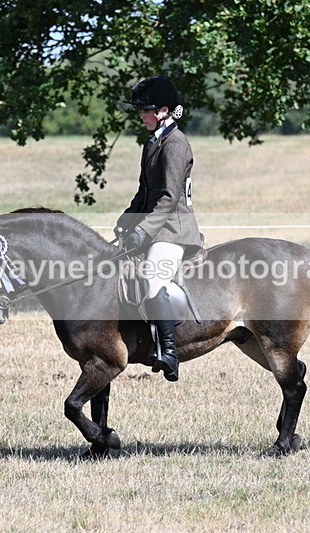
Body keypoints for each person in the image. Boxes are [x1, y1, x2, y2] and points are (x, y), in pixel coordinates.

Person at [115, 76, 203, 382]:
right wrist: (127, 220)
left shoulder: (176, 144)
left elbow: (168, 197)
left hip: (174, 230)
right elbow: (144, 192)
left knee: (153, 277)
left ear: (164, 110)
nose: (141, 115)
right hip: (153, 226)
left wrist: (144, 231)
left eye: (146, 110)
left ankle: (169, 352)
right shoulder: (152, 141)